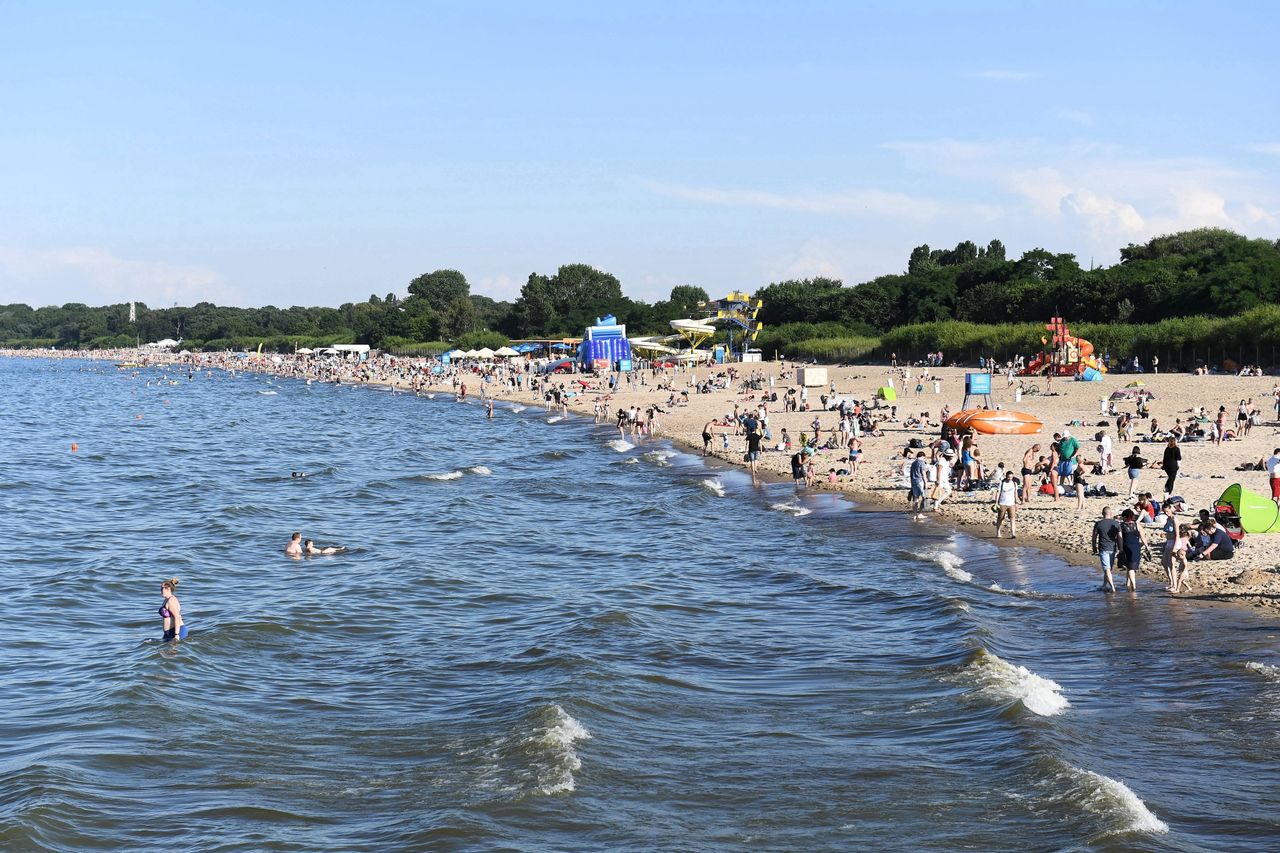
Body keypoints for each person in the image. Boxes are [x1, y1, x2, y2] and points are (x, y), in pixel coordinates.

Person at [1091, 507, 1121, 592]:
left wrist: (1094, 547)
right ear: (1111, 513)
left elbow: (1094, 537)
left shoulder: (1098, 524)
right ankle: (1104, 585)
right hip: (1113, 548)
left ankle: (1112, 587)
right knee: (1108, 568)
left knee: (1106, 568)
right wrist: (1120, 548)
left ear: (1102, 514)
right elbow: (1120, 537)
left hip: (1103, 548)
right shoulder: (1115, 523)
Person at [1117, 509, 1146, 591]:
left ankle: (1133, 586)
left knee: (1130, 567)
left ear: (1125, 517)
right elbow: (1142, 536)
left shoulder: (1121, 526)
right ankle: (1128, 583)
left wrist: (1121, 548)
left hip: (1126, 546)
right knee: (1131, 566)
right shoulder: (1137, 525)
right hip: (1136, 547)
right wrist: (1146, 546)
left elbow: (1120, 538)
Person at [159, 577, 187, 642]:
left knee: (173, 651)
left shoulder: (172, 601)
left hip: (176, 631)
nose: (160, 590)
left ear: (168, 589)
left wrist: (177, 634)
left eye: (161, 588)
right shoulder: (166, 600)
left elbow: (176, 617)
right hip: (168, 633)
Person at [994, 470, 1019, 538]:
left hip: (1011, 504)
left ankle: (1013, 533)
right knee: (1000, 518)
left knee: (1012, 518)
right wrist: (996, 502)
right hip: (1002, 503)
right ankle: (998, 533)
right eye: (1008, 477)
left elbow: (1015, 493)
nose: (1010, 479)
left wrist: (1016, 503)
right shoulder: (1002, 483)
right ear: (1006, 476)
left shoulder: (1014, 483)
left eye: (1011, 477)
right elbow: (998, 492)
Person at [908, 451, 929, 519]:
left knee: (915, 498)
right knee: (924, 498)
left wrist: (911, 483)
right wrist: (926, 483)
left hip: (913, 481)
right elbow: (923, 474)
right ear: (923, 456)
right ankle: (920, 513)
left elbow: (911, 474)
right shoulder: (922, 463)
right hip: (920, 481)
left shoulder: (913, 463)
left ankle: (914, 514)